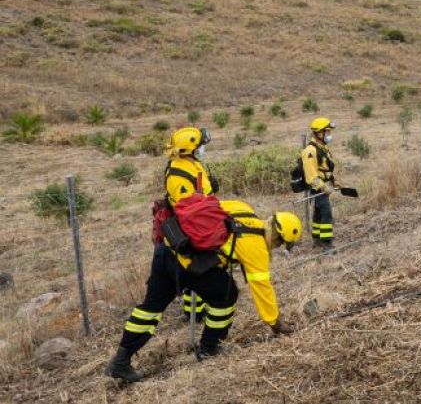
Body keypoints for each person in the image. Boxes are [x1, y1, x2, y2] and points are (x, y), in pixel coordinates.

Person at [105, 202, 301, 383]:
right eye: (281, 243)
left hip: (168, 247)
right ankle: (209, 348)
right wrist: (275, 323)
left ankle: (121, 360)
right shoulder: (256, 246)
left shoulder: (243, 208)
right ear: (277, 235)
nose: (278, 247)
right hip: (187, 263)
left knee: (149, 309)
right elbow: (262, 289)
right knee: (227, 293)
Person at [164, 127, 218, 321]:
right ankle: (194, 313)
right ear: (189, 149)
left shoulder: (191, 164)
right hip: (191, 226)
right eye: (199, 145)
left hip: (203, 221)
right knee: (195, 269)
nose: (202, 148)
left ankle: (201, 305)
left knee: (204, 267)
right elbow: (187, 208)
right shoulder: (179, 174)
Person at [302, 117, 339, 250]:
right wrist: (325, 188)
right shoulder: (310, 151)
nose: (329, 135)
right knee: (326, 213)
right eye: (327, 132)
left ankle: (316, 240)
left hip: (324, 185)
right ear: (319, 133)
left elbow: (325, 167)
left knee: (318, 213)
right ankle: (326, 243)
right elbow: (311, 177)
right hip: (318, 188)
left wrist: (334, 181)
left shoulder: (322, 148)